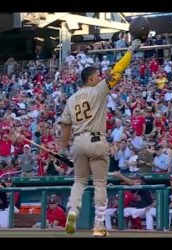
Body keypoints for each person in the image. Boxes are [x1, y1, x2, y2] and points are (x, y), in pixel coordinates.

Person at [59, 39, 141, 237]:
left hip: (77, 142)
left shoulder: (71, 99)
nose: (99, 77)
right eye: (97, 75)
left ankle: (72, 212)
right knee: (99, 183)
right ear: (90, 79)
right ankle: (98, 225)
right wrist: (130, 50)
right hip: (96, 140)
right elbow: (118, 71)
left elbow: (65, 127)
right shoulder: (98, 89)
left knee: (79, 181)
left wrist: (62, 148)